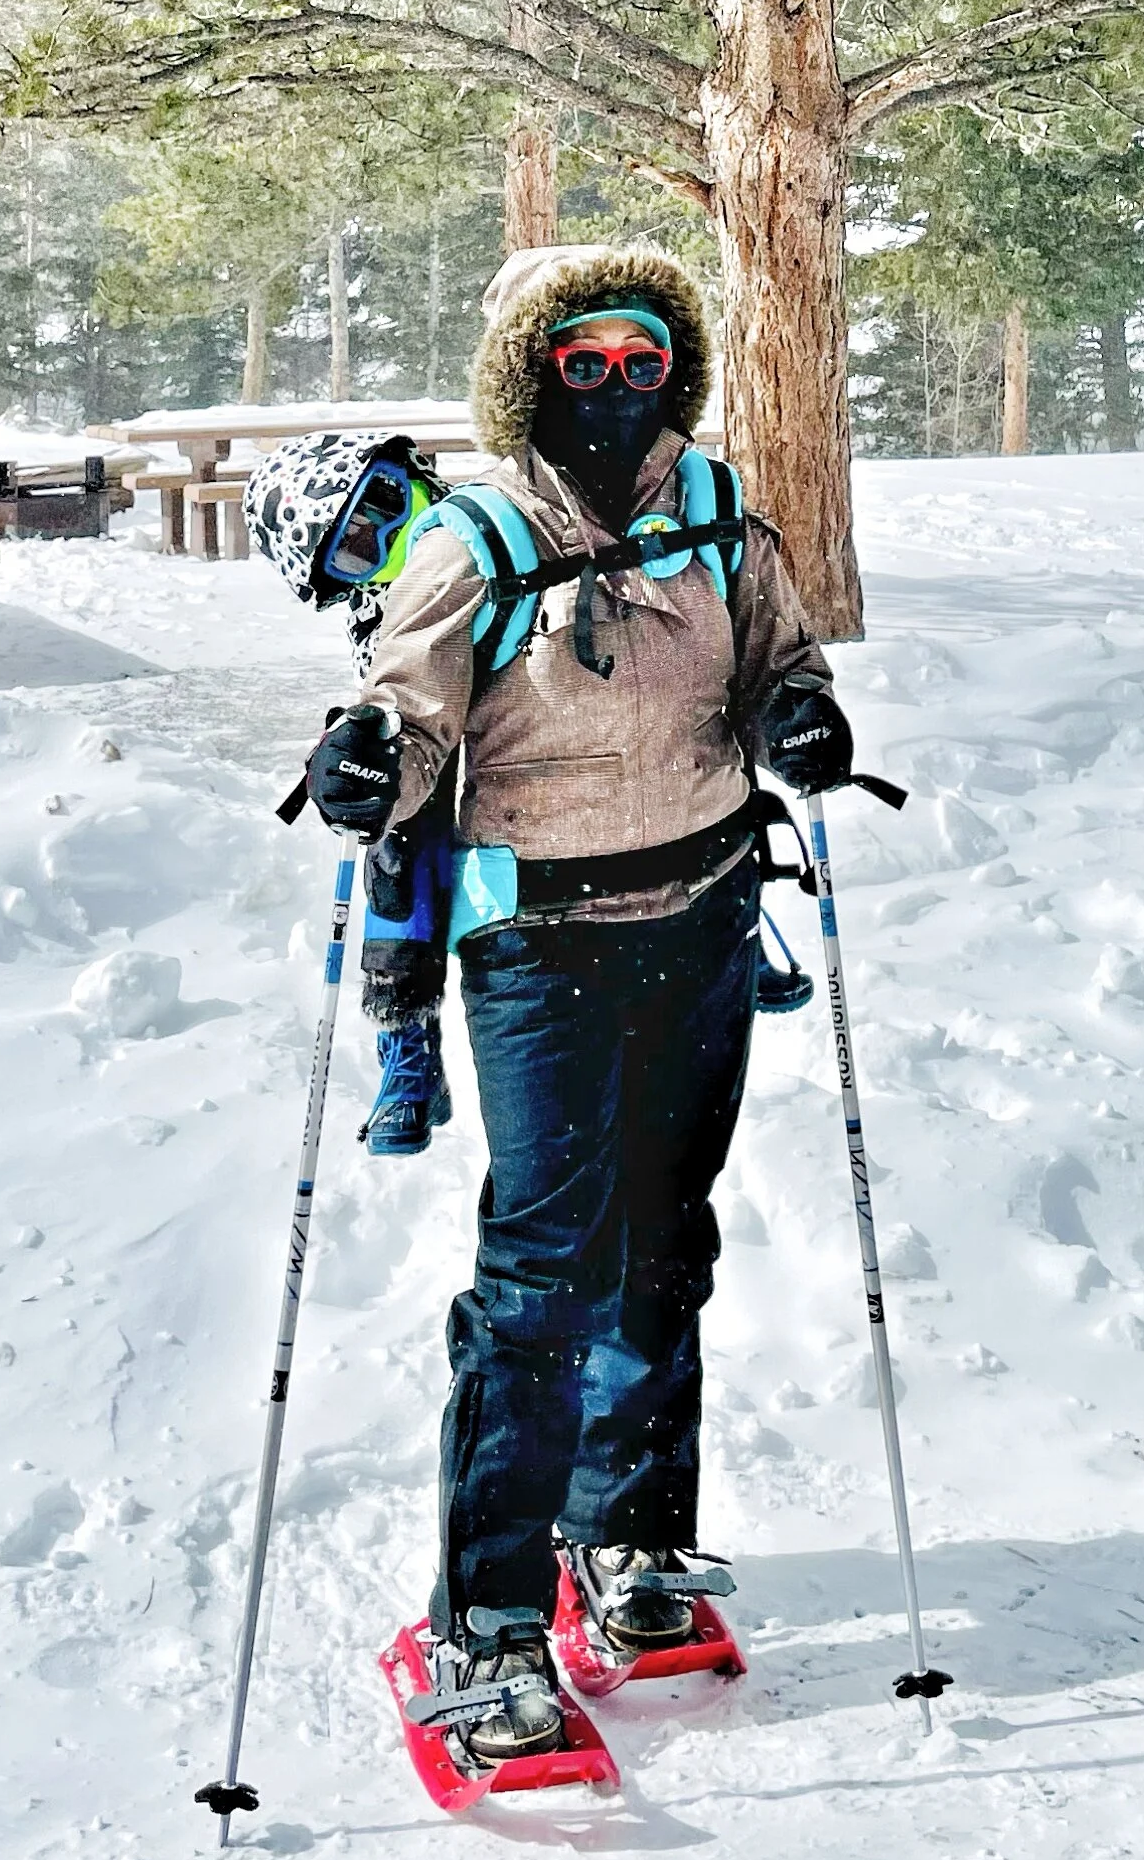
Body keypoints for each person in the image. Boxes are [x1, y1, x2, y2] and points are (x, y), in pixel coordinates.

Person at [303, 242, 856, 1765]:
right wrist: (366, 759)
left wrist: (800, 716)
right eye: (582, 360)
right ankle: (486, 1614)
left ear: (675, 371)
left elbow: (782, 661)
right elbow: (407, 711)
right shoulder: (471, 538)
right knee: (543, 1269)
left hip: (705, 915)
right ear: (530, 375)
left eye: (641, 359)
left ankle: (623, 1536)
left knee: (663, 1242)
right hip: (541, 947)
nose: (615, 385)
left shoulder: (718, 513)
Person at [244, 432, 456, 1155]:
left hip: (558, 737)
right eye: (363, 550)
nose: (393, 538)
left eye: (388, 503)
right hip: (444, 758)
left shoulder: (499, 520)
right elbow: (393, 704)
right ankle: (407, 1039)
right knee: (400, 855)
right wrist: (362, 757)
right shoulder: (381, 612)